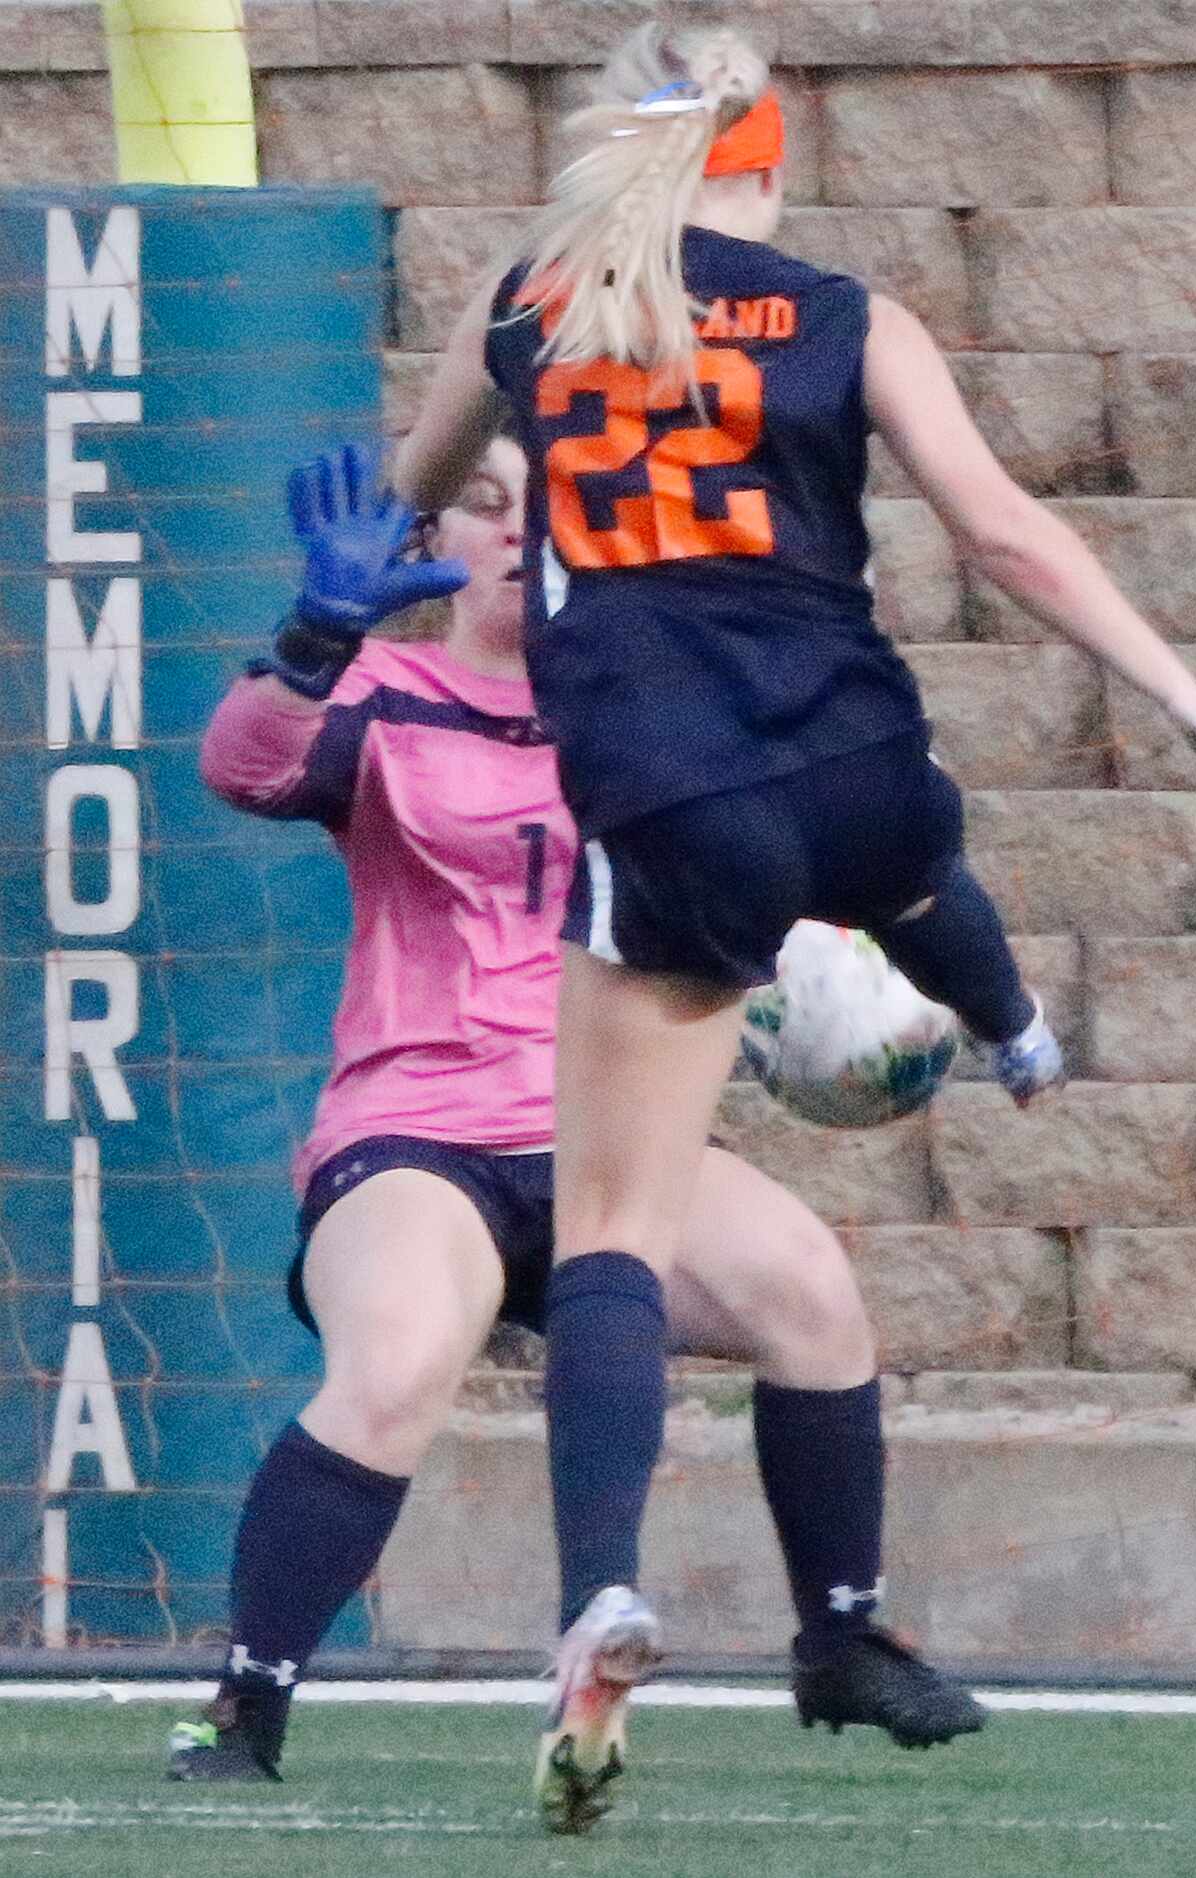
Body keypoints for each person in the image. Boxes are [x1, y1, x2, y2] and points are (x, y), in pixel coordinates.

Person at [395, 19, 1196, 1834]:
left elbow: (422, 493)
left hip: (676, 796)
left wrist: (343, 604)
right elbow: (1008, 536)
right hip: (863, 767)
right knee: (911, 864)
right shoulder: (844, 314)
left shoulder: (529, 306)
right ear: (768, 166)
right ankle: (1013, 1027)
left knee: (614, 1223)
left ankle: (601, 1588)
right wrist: (1191, 701)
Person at [172, 432, 983, 1818]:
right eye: (486, 506)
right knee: (400, 1361)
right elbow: (244, 768)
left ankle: (840, 1636)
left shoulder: (668, 720)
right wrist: (310, 638)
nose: (515, 536)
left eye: (551, 515)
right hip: (418, 1127)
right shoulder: (385, 693)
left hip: (613, 1127)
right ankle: (248, 1699)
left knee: (810, 1289)